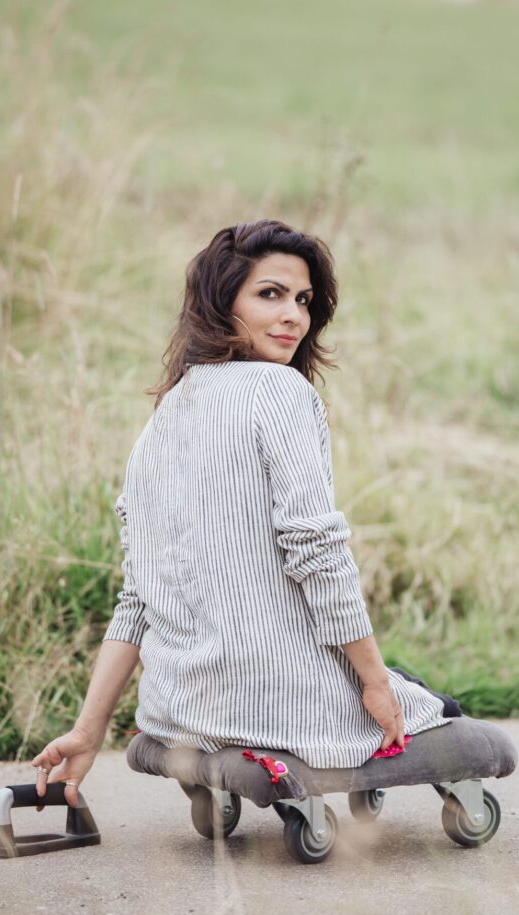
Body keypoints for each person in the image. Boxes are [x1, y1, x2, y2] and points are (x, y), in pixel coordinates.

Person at [32, 220, 449, 808]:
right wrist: (377, 684)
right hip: (279, 702)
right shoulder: (280, 391)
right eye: (270, 294)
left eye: (304, 301)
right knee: (423, 699)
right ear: (220, 301)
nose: (294, 317)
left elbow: (139, 596)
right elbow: (318, 551)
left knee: (396, 681)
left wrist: (87, 729)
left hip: (182, 709)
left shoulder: (161, 419)